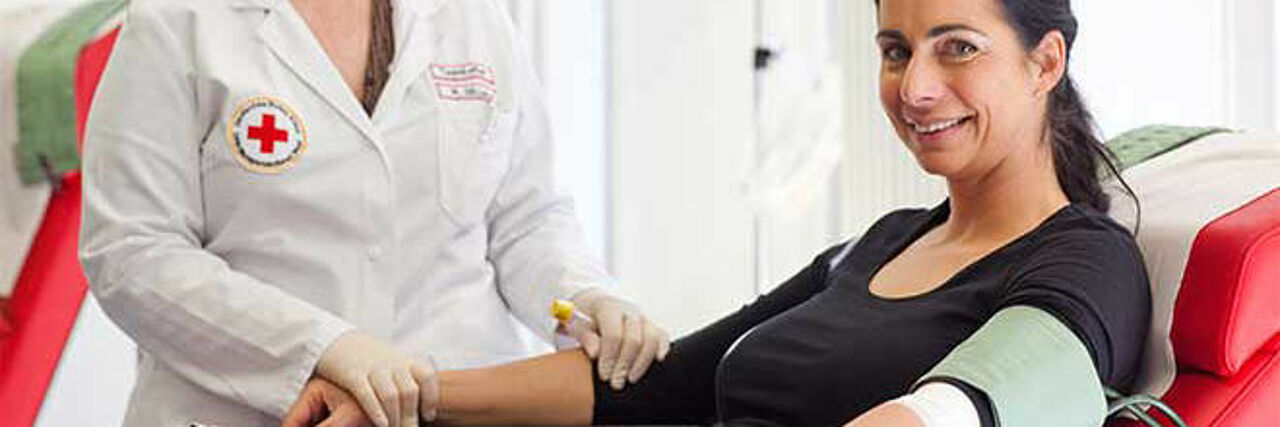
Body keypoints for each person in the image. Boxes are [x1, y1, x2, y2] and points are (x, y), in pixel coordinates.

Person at [286, 0, 1154, 425]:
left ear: (1045, 63)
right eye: (895, 51)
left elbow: (985, 396)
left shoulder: (1083, 257)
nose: (916, 87)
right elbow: (663, 383)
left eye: (958, 48)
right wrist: (403, 393)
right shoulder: (884, 242)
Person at [78, 0, 670, 426]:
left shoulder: (470, 17)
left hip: (459, 399)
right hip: (253, 409)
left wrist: (582, 298)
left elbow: (525, 218)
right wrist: (325, 346)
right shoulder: (179, 21)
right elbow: (133, 254)